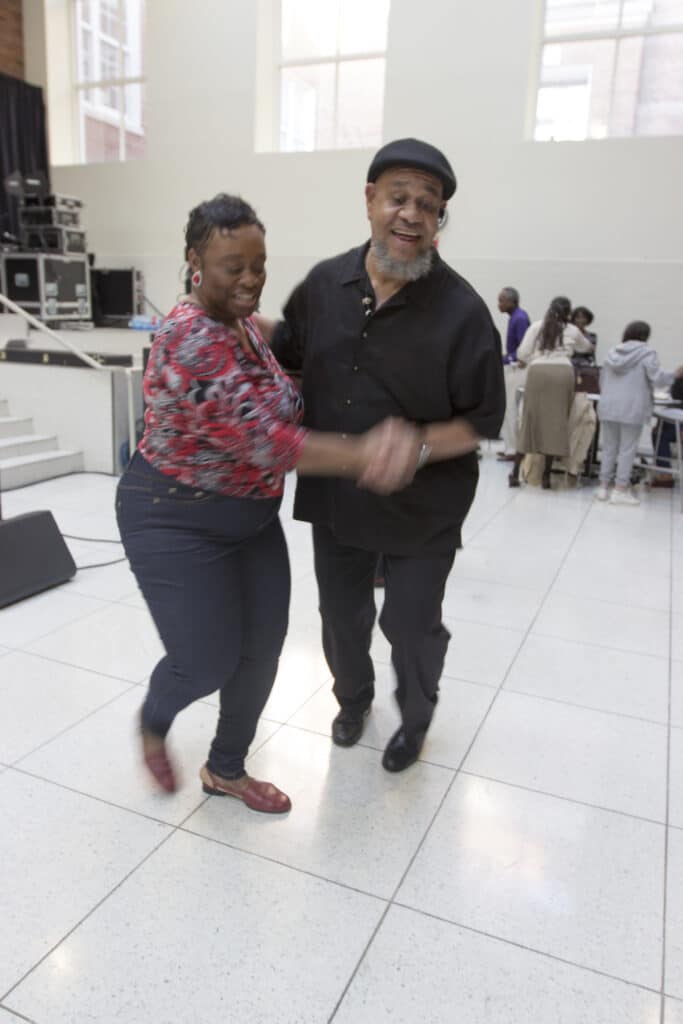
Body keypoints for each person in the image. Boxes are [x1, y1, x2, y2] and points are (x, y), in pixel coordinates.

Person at [116, 194, 420, 812]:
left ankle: (225, 768)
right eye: (235, 266)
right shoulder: (188, 339)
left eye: (259, 264)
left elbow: (296, 369)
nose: (252, 279)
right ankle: (152, 721)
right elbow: (268, 440)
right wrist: (366, 452)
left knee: (260, 651)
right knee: (203, 662)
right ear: (195, 263)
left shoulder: (243, 325)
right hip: (174, 515)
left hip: (250, 518)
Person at [265, 138, 505, 772]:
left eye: (429, 206)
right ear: (370, 200)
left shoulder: (462, 311)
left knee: (410, 624)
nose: (412, 215)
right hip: (338, 496)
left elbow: (482, 419)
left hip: (425, 506)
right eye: (399, 197)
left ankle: (416, 718)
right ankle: (353, 700)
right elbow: (286, 352)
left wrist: (420, 447)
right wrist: (225, 318)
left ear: (438, 221)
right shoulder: (324, 284)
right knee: (341, 616)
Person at [508, 296, 594, 489]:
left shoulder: (537, 327)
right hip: (563, 373)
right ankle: (546, 478)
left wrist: (537, 357)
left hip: (538, 372)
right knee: (556, 424)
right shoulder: (572, 330)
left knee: (530, 422)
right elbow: (587, 347)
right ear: (568, 312)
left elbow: (522, 353)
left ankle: (514, 475)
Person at [596, 320, 683, 505]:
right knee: (627, 449)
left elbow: (602, 380)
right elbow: (657, 379)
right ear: (645, 336)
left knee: (610, 447)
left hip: (609, 404)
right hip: (632, 407)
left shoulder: (612, 352)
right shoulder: (647, 353)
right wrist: (675, 375)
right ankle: (620, 489)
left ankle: (603, 487)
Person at [497, 286, 531, 461]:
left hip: (518, 369)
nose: (499, 304)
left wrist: (503, 359)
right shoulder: (515, 317)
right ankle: (510, 446)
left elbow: (523, 352)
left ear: (512, 301)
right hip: (514, 366)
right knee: (508, 408)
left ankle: (514, 450)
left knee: (511, 408)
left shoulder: (520, 318)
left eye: (502, 300)